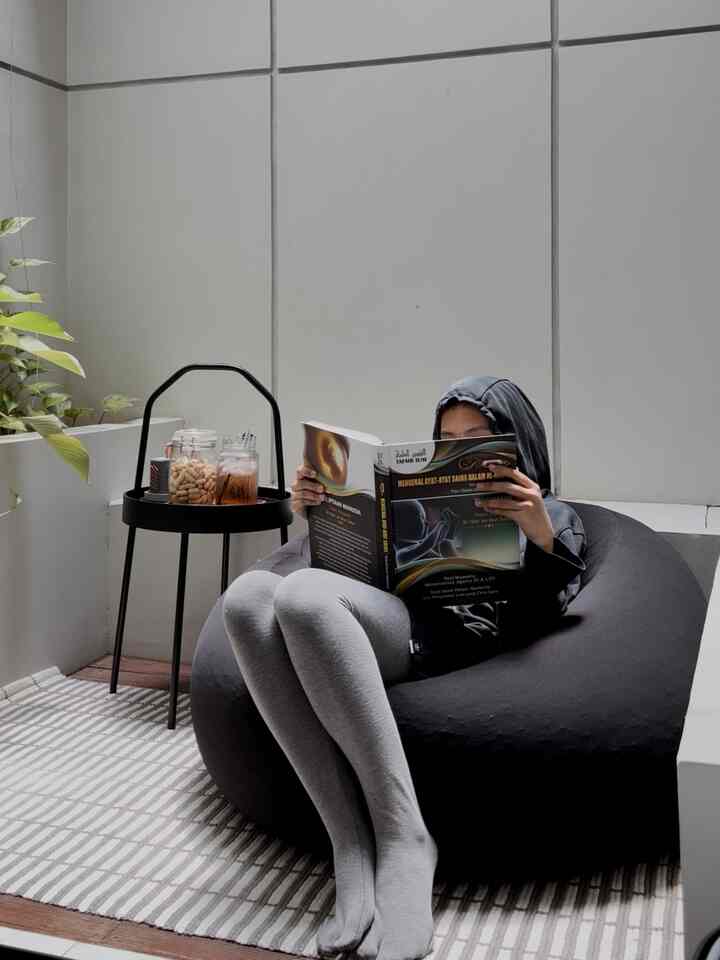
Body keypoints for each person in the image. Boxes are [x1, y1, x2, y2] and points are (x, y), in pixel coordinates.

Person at [221, 375, 587, 960]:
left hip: (455, 641)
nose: (457, 448)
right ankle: (349, 843)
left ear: (516, 443)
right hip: (397, 616)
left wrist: (538, 530)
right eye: (447, 439)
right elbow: (356, 576)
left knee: (304, 597)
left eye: (477, 438)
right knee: (246, 598)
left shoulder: (553, 513)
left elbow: (551, 611)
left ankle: (404, 837)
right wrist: (323, 511)